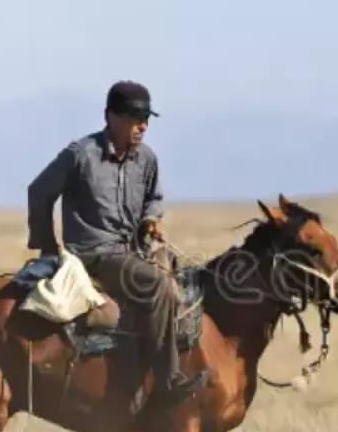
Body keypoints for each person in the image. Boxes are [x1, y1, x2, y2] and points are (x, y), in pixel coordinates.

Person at [25, 80, 206, 412]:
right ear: (110, 116)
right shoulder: (81, 155)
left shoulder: (147, 159)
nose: (142, 127)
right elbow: (39, 191)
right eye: (134, 119)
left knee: (187, 286)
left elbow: (154, 198)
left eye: (146, 120)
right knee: (159, 286)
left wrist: (152, 219)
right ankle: (167, 380)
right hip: (93, 253)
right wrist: (47, 244)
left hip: (133, 251)